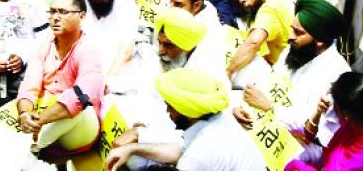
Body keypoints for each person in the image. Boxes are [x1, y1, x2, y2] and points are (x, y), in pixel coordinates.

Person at [234, 0, 351, 160]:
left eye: (298, 32)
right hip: (271, 121)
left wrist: (270, 108)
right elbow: (272, 82)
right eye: (292, 29)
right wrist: (244, 107)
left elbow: (314, 129)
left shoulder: (337, 75)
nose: (290, 36)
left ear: (319, 41)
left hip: (306, 144)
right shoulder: (296, 49)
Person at [105, 68, 264, 171]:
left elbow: (190, 156)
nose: (167, 111)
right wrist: (132, 149)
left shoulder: (198, 156)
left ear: (188, 111)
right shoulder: (219, 118)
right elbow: (181, 149)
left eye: (171, 106)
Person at [14, 0, 103, 153]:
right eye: (53, 11)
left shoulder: (89, 49)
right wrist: (25, 114)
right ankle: (27, 148)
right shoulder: (43, 42)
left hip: (76, 129)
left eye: (63, 12)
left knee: (82, 107)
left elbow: (81, 97)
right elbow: (29, 85)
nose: (55, 17)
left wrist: (39, 121)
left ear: (82, 17)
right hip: (41, 119)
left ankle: (26, 149)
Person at [286, 72, 363, 171]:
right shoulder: (361, 119)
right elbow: (309, 135)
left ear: (346, 113)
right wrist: (318, 112)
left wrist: (297, 166)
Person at [226, 0, 294, 77]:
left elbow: (253, 42)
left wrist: (228, 72)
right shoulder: (271, 1)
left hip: (283, 74)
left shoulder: (269, 8)